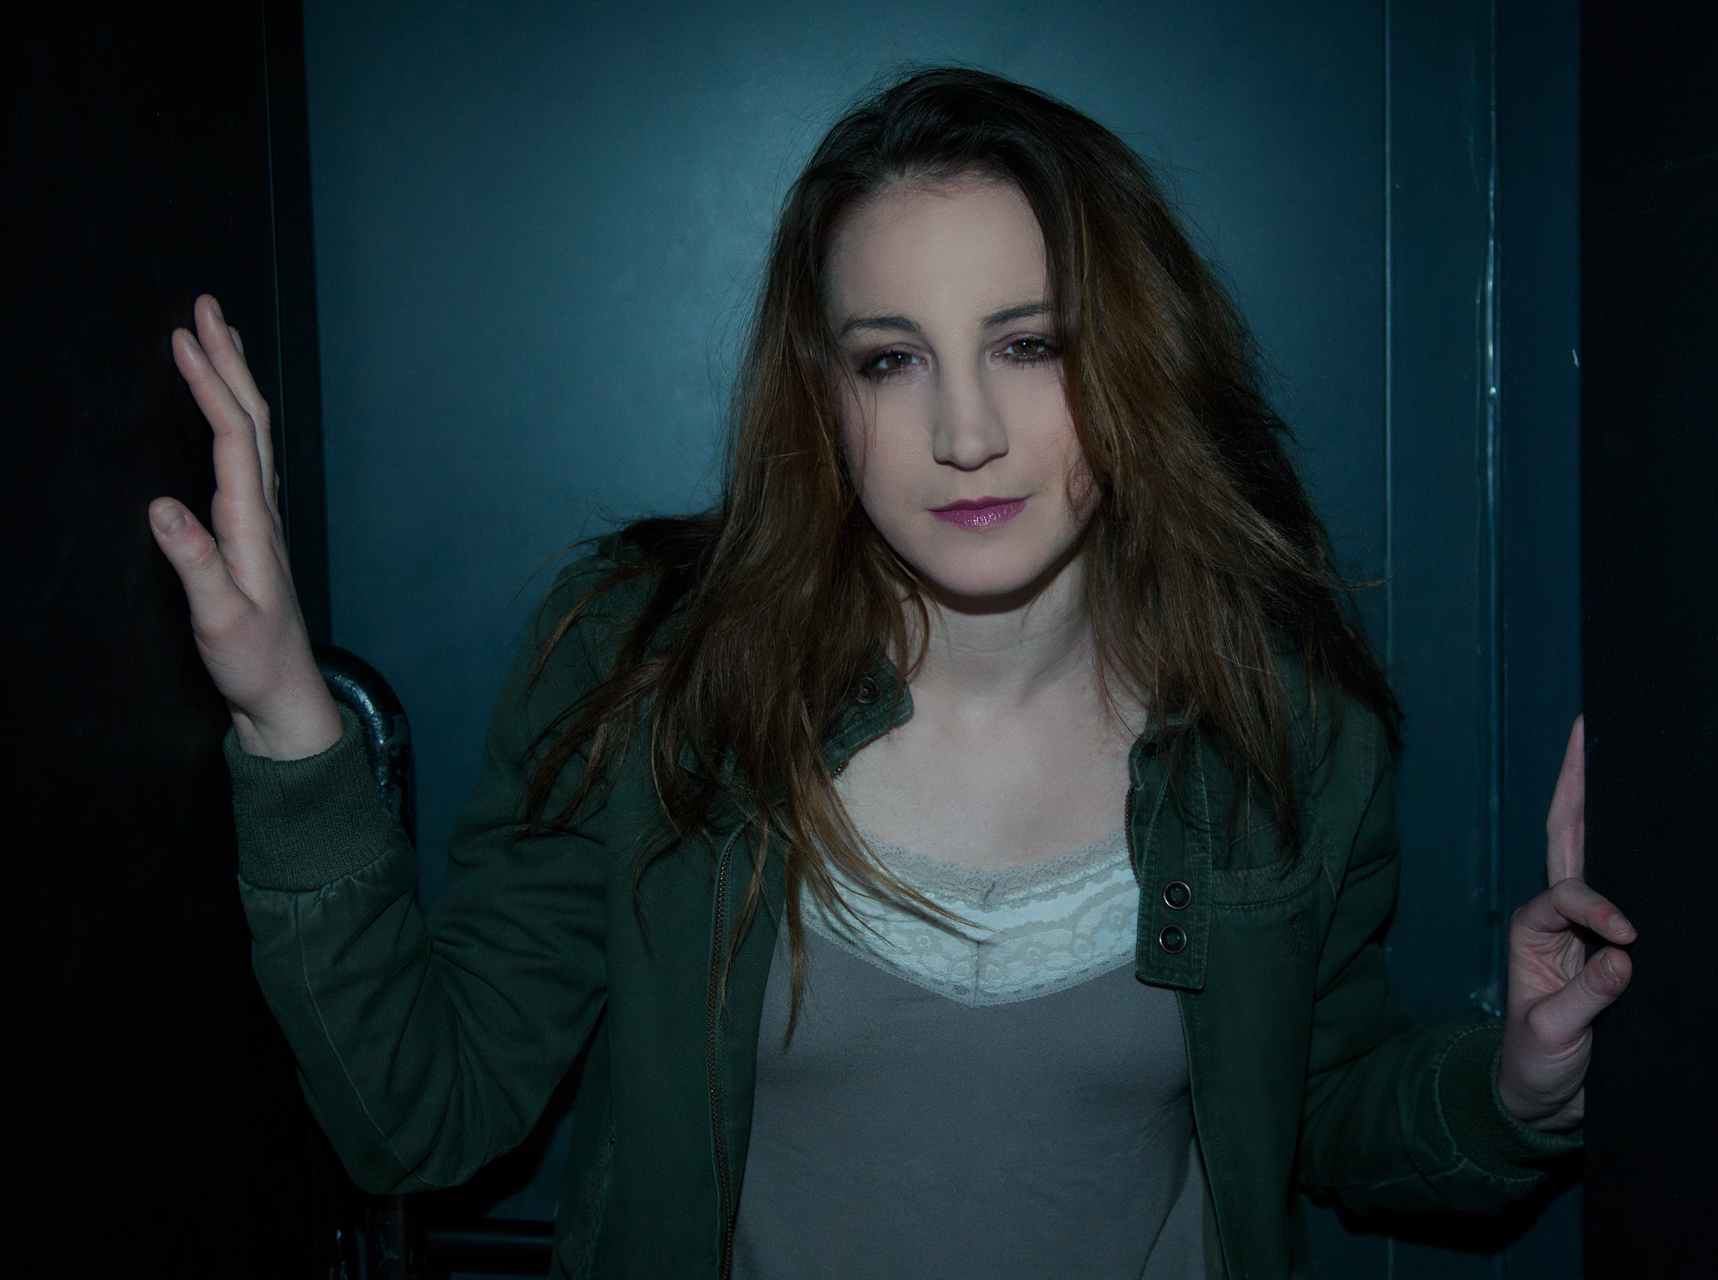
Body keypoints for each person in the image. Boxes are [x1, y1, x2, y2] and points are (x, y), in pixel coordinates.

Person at [147, 68, 1634, 1279]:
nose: (965, 433)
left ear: (1131, 358)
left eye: (1029, 344)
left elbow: (1319, 1104)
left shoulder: (1278, 719)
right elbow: (422, 1115)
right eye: (889, 359)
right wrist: (286, 719)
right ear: (823, 391)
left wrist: (1515, 1082)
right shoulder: (653, 669)